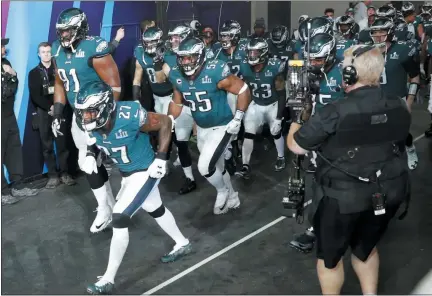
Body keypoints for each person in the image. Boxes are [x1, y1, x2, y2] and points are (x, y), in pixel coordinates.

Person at [287, 44, 411, 295]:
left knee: (330, 261)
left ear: (350, 75)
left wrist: (297, 119)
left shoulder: (335, 111)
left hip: (343, 200)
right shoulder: (400, 104)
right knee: (367, 249)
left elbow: (297, 146)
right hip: (389, 192)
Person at [75, 81, 192, 295]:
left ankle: (108, 279)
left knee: (119, 217)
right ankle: (182, 243)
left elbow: (165, 122)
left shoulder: (129, 115)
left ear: (106, 107)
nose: (86, 117)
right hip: (128, 174)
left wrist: (161, 158)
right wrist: (92, 153)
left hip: (146, 170)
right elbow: (93, 138)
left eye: (91, 112)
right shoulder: (86, 120)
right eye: (83, 112)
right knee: (155, 208)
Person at [51, 8, 121, 233]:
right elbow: (60, 82)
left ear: (80, 28)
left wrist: (102, 118)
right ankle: (107, 205)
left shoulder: (94, 46)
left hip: (102, 115)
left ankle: (119, 204)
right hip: (78, 115)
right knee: (90, 163)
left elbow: (115, 87)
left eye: (69, 30)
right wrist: (58, 112)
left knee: (105, 160)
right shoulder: (56, 50)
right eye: (61, 31)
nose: (64, 35)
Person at [168, 37, 251, 214]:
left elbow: (243, 89)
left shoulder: (214, 71)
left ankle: (222, 191)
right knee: (217, 168)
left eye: (190, 57)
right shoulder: (177, 75)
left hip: (222, 126)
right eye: (183, 58)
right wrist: (169, 120)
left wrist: (238, 118)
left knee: (205, 167)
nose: (186, 62)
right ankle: (233, 197)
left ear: (200, 56)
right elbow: (177, 102)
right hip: (202, 128)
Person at [289, 33, 344, 253]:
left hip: (347, 136)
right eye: (310, 59)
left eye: (319, 59)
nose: (314, 64)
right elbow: (302, 106)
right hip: (322, 135)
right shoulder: (304, 72)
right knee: (320, 183)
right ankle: (315, 227)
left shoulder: (344, 72)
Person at [134, 26, 196, 195]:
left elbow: (164, 78)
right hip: (158, 99)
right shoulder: (141, 52)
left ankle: (190, 177)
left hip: (176, 99)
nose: (149, 46)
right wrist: (135, 99)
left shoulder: (172, 55)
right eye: (146, 42)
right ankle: (165, 163)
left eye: (152, 42)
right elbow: (138, 75)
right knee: (164, 133)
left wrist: (159, 62)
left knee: (181, 141)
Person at [368, 17, 420, 170]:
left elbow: (415, 77)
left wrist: (409, 101)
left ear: (390, 33)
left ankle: (410, 149)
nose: (378, 36)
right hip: (376, 99)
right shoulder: (368, 52)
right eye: (375, 32)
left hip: (397, 99)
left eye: (382, 32)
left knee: (401, 134)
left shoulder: (402, 50)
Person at [235, 38, 287, 179]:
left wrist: (278, 117)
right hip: (256, 103)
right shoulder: (245, 66)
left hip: (273, 103)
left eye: (255, 52)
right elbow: (245, 89)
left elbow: (282, 94)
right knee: (249, 133)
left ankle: (281, 156)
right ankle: (245, 165)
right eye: (250, 52)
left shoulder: (274, 66)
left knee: (275, 131)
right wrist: (243, 108)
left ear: (263, 53)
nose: (251, 55)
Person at [28, 42, 76, 188]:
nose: (46, 54)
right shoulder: (34, 73)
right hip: (44, 113)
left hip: (59, 111)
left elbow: (67, 90)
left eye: (49, 52)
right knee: (47, 145)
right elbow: (35, 96)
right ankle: (53, 176)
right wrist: (49, 107)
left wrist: (57, 109)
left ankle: (64, 174)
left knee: (62, 144)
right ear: (39, 54)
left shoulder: (59, 71)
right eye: (43, 52)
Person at [1, 38, 39, 205]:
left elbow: (12, 89)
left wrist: (12, 76)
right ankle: (2, 192)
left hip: (8, 115)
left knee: (14, 150)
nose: (4, 49)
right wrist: (9, 76)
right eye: (1, 46)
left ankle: (18, 185)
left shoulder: (5, 62)